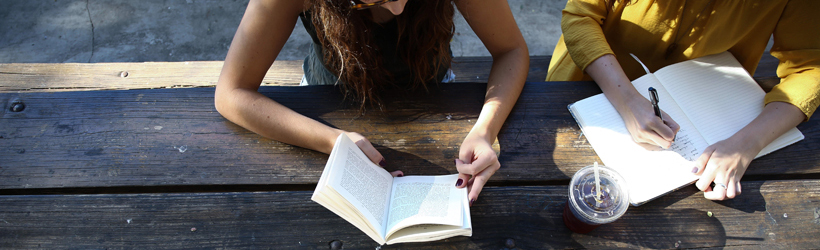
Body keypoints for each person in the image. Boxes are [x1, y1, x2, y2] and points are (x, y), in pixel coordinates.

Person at [214, 0, 529, 205]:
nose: (398, 8)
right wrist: (334, 141)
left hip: (432, 93)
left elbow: (511, 50)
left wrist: (485, 130)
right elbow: (232, 93)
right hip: (324, 103)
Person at [547, 0, 820, 200]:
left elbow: (811, 67)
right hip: (589, 80)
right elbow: (580, 15)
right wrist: (627, 99)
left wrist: (746, 144)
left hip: (713, 108)